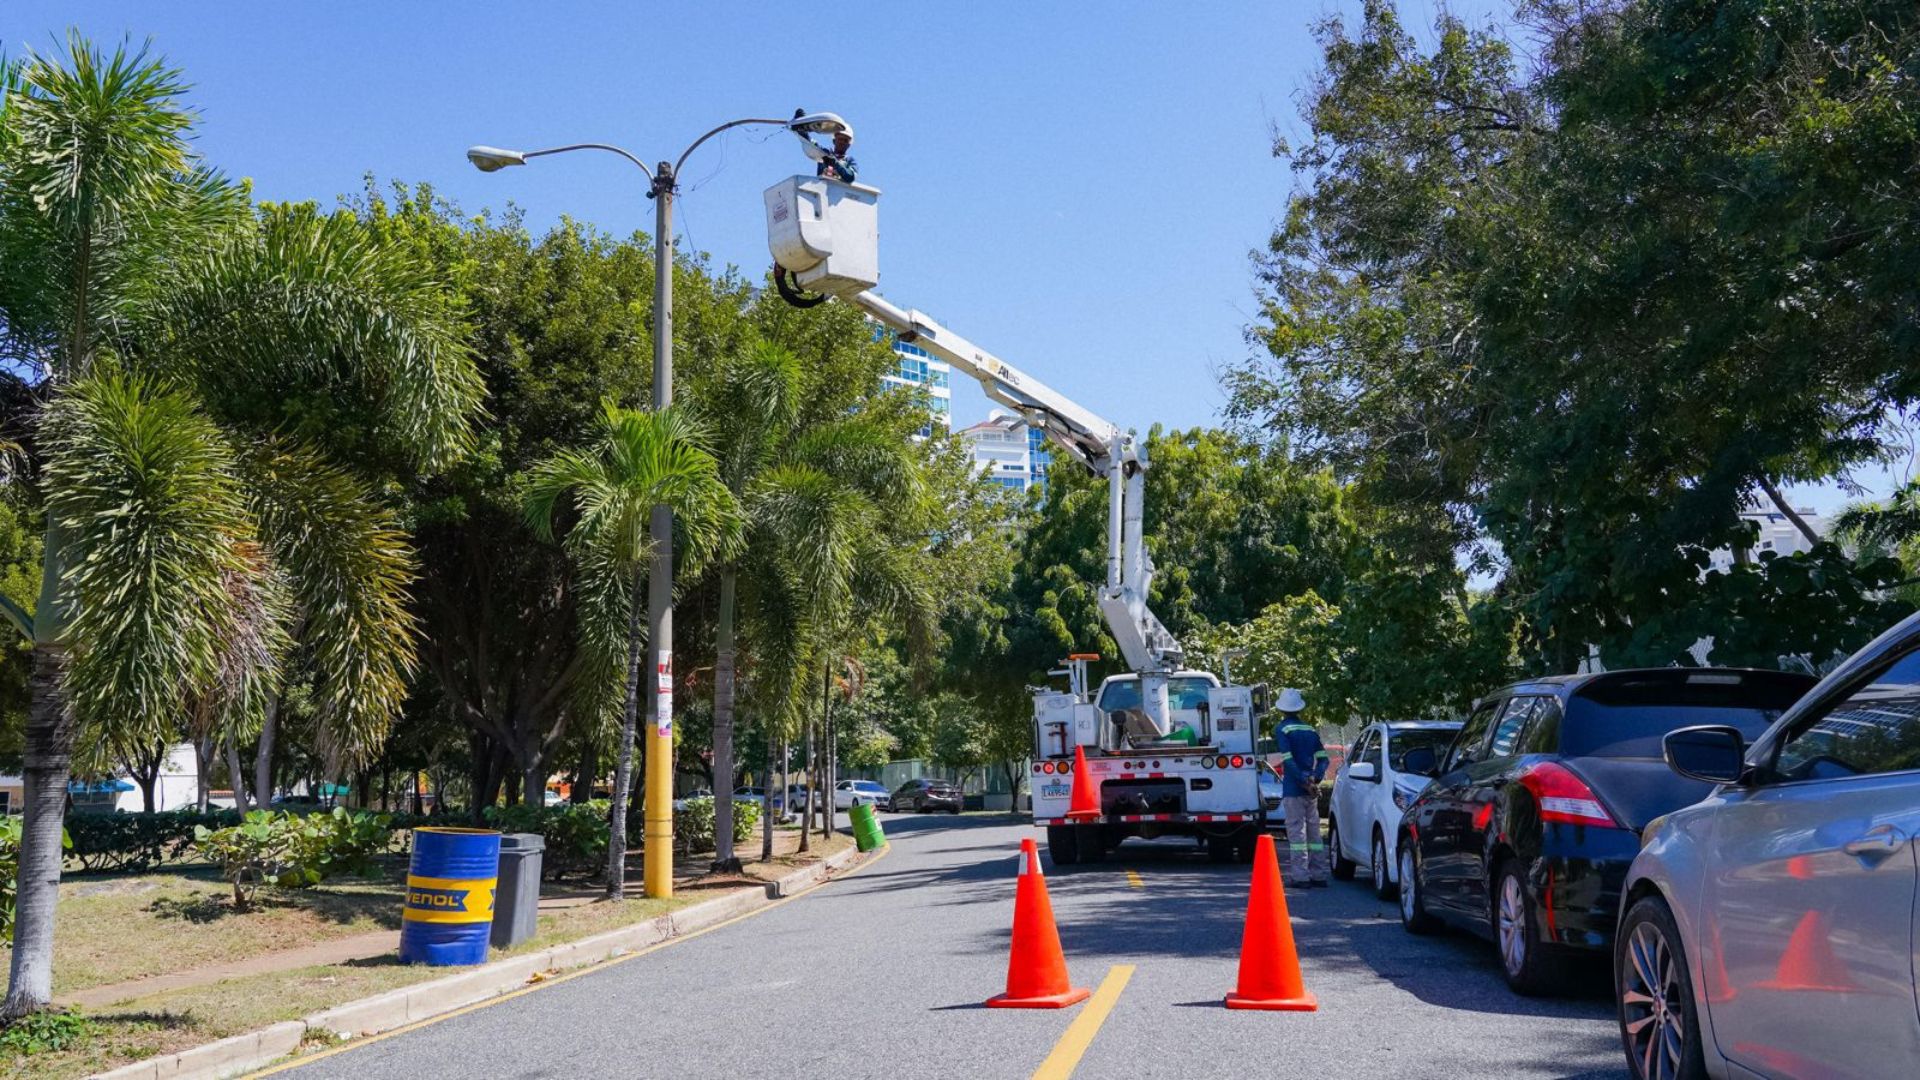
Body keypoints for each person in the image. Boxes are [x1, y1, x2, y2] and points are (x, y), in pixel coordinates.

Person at [1275, 688, 1330, 887]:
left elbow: (1288, 760)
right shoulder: (1310, 730)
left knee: (1297, 832)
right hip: (1311, 789)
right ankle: (1319, 874)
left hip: (1294, 788)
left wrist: (1302, 780)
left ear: (1282, 709)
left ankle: (1300, 876)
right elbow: (1324, 759)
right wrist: (1315, 778)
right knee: (1314, 832)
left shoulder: (1282, 729)